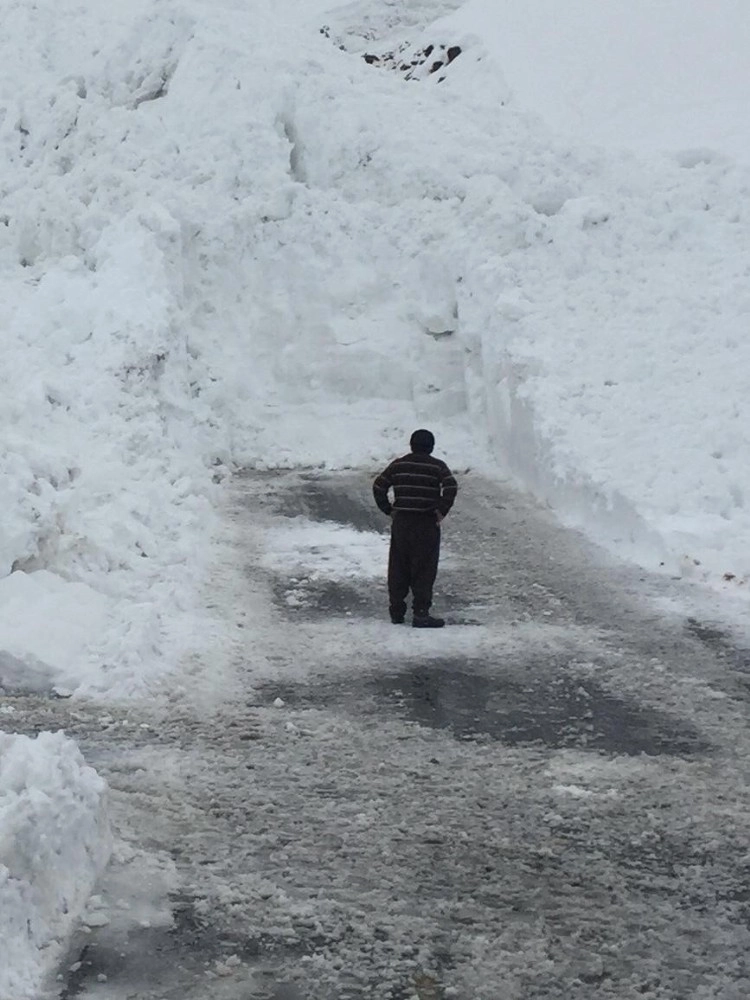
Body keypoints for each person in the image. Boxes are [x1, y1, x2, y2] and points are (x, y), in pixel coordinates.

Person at [372, 429, 458, 628]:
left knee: (398, 566)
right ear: (431, 447)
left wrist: (389, 510)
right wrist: (441, 511)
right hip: (426, 522)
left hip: (402, 522)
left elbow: (379, 486)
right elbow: (451, 486)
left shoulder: (399, 465)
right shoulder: (437, 466)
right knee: (424, 568)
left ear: (411, 445)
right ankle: (420, 613)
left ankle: (396, 611)